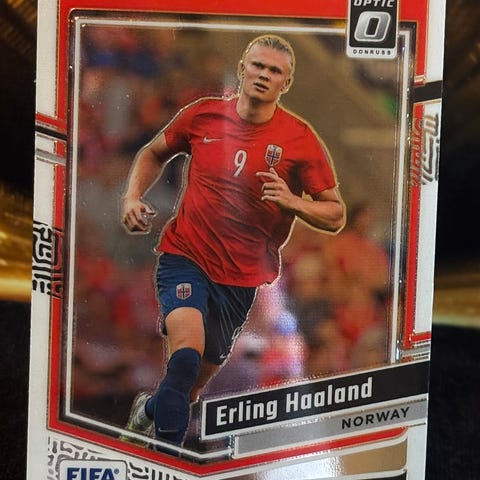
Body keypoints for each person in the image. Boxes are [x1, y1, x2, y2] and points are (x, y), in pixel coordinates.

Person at [120, 34, 345, 449]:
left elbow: (335, 213)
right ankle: (164, 462)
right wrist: (133, 197)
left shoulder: (299, 138)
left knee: (188, 390)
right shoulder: (202, 115)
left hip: (241, 281)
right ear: (242, 68)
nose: (263, 75)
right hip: (185, 256)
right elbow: (153, 153)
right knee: (184, 358)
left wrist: (293, 201)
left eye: (274, 71)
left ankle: (148, 410)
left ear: (286, 83)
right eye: (257, 65)